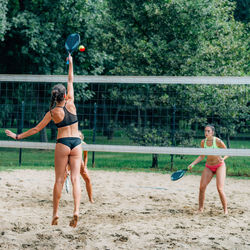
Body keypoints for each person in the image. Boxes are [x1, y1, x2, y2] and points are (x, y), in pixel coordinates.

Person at [5, 54, 82, 227]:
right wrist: (71, 62)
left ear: (55, 97)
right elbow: (70, 78)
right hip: (77, 143)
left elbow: (35, 129)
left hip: (63, 143)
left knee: (59, 180)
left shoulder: (52, 113)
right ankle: (76, 210)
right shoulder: (72, 103)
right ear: (65, 95)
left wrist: (17, 136)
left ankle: (55, 214)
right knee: (76, 179)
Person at [188, 125, 229, 214]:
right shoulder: (203, 142)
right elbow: (202, 156)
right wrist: (193, 164)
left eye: (208, 131)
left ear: (212, 132)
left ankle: (225, 210)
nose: (206, 133)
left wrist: (223, 158)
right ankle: (200, 209)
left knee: (220, 188)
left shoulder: (218, 141)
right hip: (209, 167)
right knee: (202, 187)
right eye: (205, 131)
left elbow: (228, 152)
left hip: (219, 165)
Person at [64, 130, 94, 203]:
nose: (78, 137)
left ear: (82, 138)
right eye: (76, 136)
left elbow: (85, 156)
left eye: (79, 136)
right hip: (70, 162)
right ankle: (58, 195)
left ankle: (90, 199)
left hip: (80, 162)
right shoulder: (70, 144)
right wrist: (66, 168)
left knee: (87, 179)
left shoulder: (84, 145)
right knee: (62, 177)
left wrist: (85, 166)